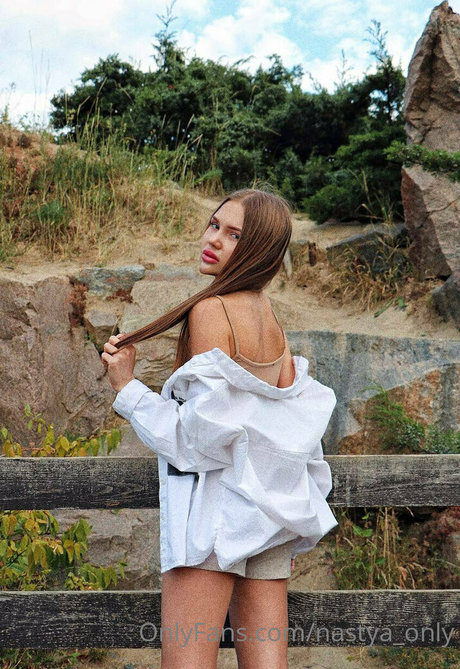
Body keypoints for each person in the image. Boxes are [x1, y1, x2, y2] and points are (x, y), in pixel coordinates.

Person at [101, 188, 338, 668]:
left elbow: (200, 441)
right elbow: (286, 428)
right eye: (215, 225)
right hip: (267, 520)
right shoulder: (268, 316)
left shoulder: (211, 310)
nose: (213, 240)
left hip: (212, 522)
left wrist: (128, 389)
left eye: (234, 236)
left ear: (259, 250)